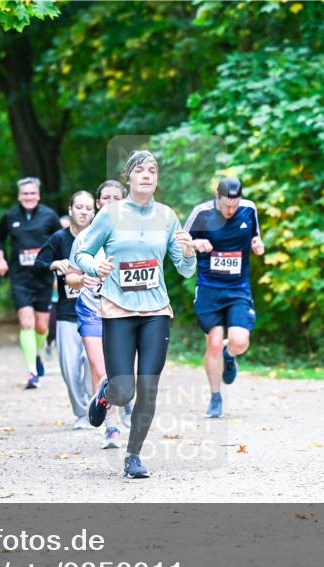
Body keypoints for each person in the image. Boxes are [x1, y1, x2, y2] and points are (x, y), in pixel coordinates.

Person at [75, 151, 197, 478]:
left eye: (152, 170)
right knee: (124, 389)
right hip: (117, 310)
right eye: (140, 170)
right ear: (129, 177)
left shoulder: (168, 217)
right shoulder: (110, 215)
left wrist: (188, 253)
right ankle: (107, 394)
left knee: (148, 386)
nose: (147, 175)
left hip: (156, 310)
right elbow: (84, 253)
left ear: (157, 178)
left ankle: (133, 456)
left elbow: (184, 270)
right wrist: (94, 265)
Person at [184, 177, 264, 418]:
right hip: (209, 287)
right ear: (216, 197)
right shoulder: (201, 213)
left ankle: (231, 356)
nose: (231, 210)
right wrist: (195, 243)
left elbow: (255, 237)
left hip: (238, 287)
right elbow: (179, 243)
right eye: (226, 205)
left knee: (239, 341)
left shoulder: (249, 209)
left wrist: (257, 245)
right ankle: (215, 397)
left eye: (235, 205)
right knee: (215, 342)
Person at [67, 180, 133, 448]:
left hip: (125, 311)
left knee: (126, 370)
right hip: (91, 309)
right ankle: (111, 426)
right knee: (100, 369)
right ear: (98, 204)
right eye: (106, 198)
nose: (111, 202)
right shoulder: (84, 237)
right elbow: (71, 277)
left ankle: (125, 398)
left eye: (117, 198)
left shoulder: (134, 235)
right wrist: (81, 281)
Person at [0, 177, 61, 389]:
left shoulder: (49, 216)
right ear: (19, 195)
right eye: (25, 194)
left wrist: (60, 266)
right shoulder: (10, 216)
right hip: (19, 277)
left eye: (32, 193)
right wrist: (1, 259)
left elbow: (61, 239)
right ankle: (32, 372)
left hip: (44, 277)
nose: (29, 197)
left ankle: (37, 354)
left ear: (38, 195)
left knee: (42, 327)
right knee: (26, 323)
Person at [36, 192, 96, 430]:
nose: (83, 212)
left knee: (94, 363)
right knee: (70, 367)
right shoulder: (59, 238)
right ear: (70, 210)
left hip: (96, 311)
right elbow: (38, 263)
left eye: (88, 208)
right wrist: (54, 264)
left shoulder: (101, 237)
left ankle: (94, 408)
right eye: (79, 207)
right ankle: (80, 413)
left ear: (94, 211)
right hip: (67, 312)